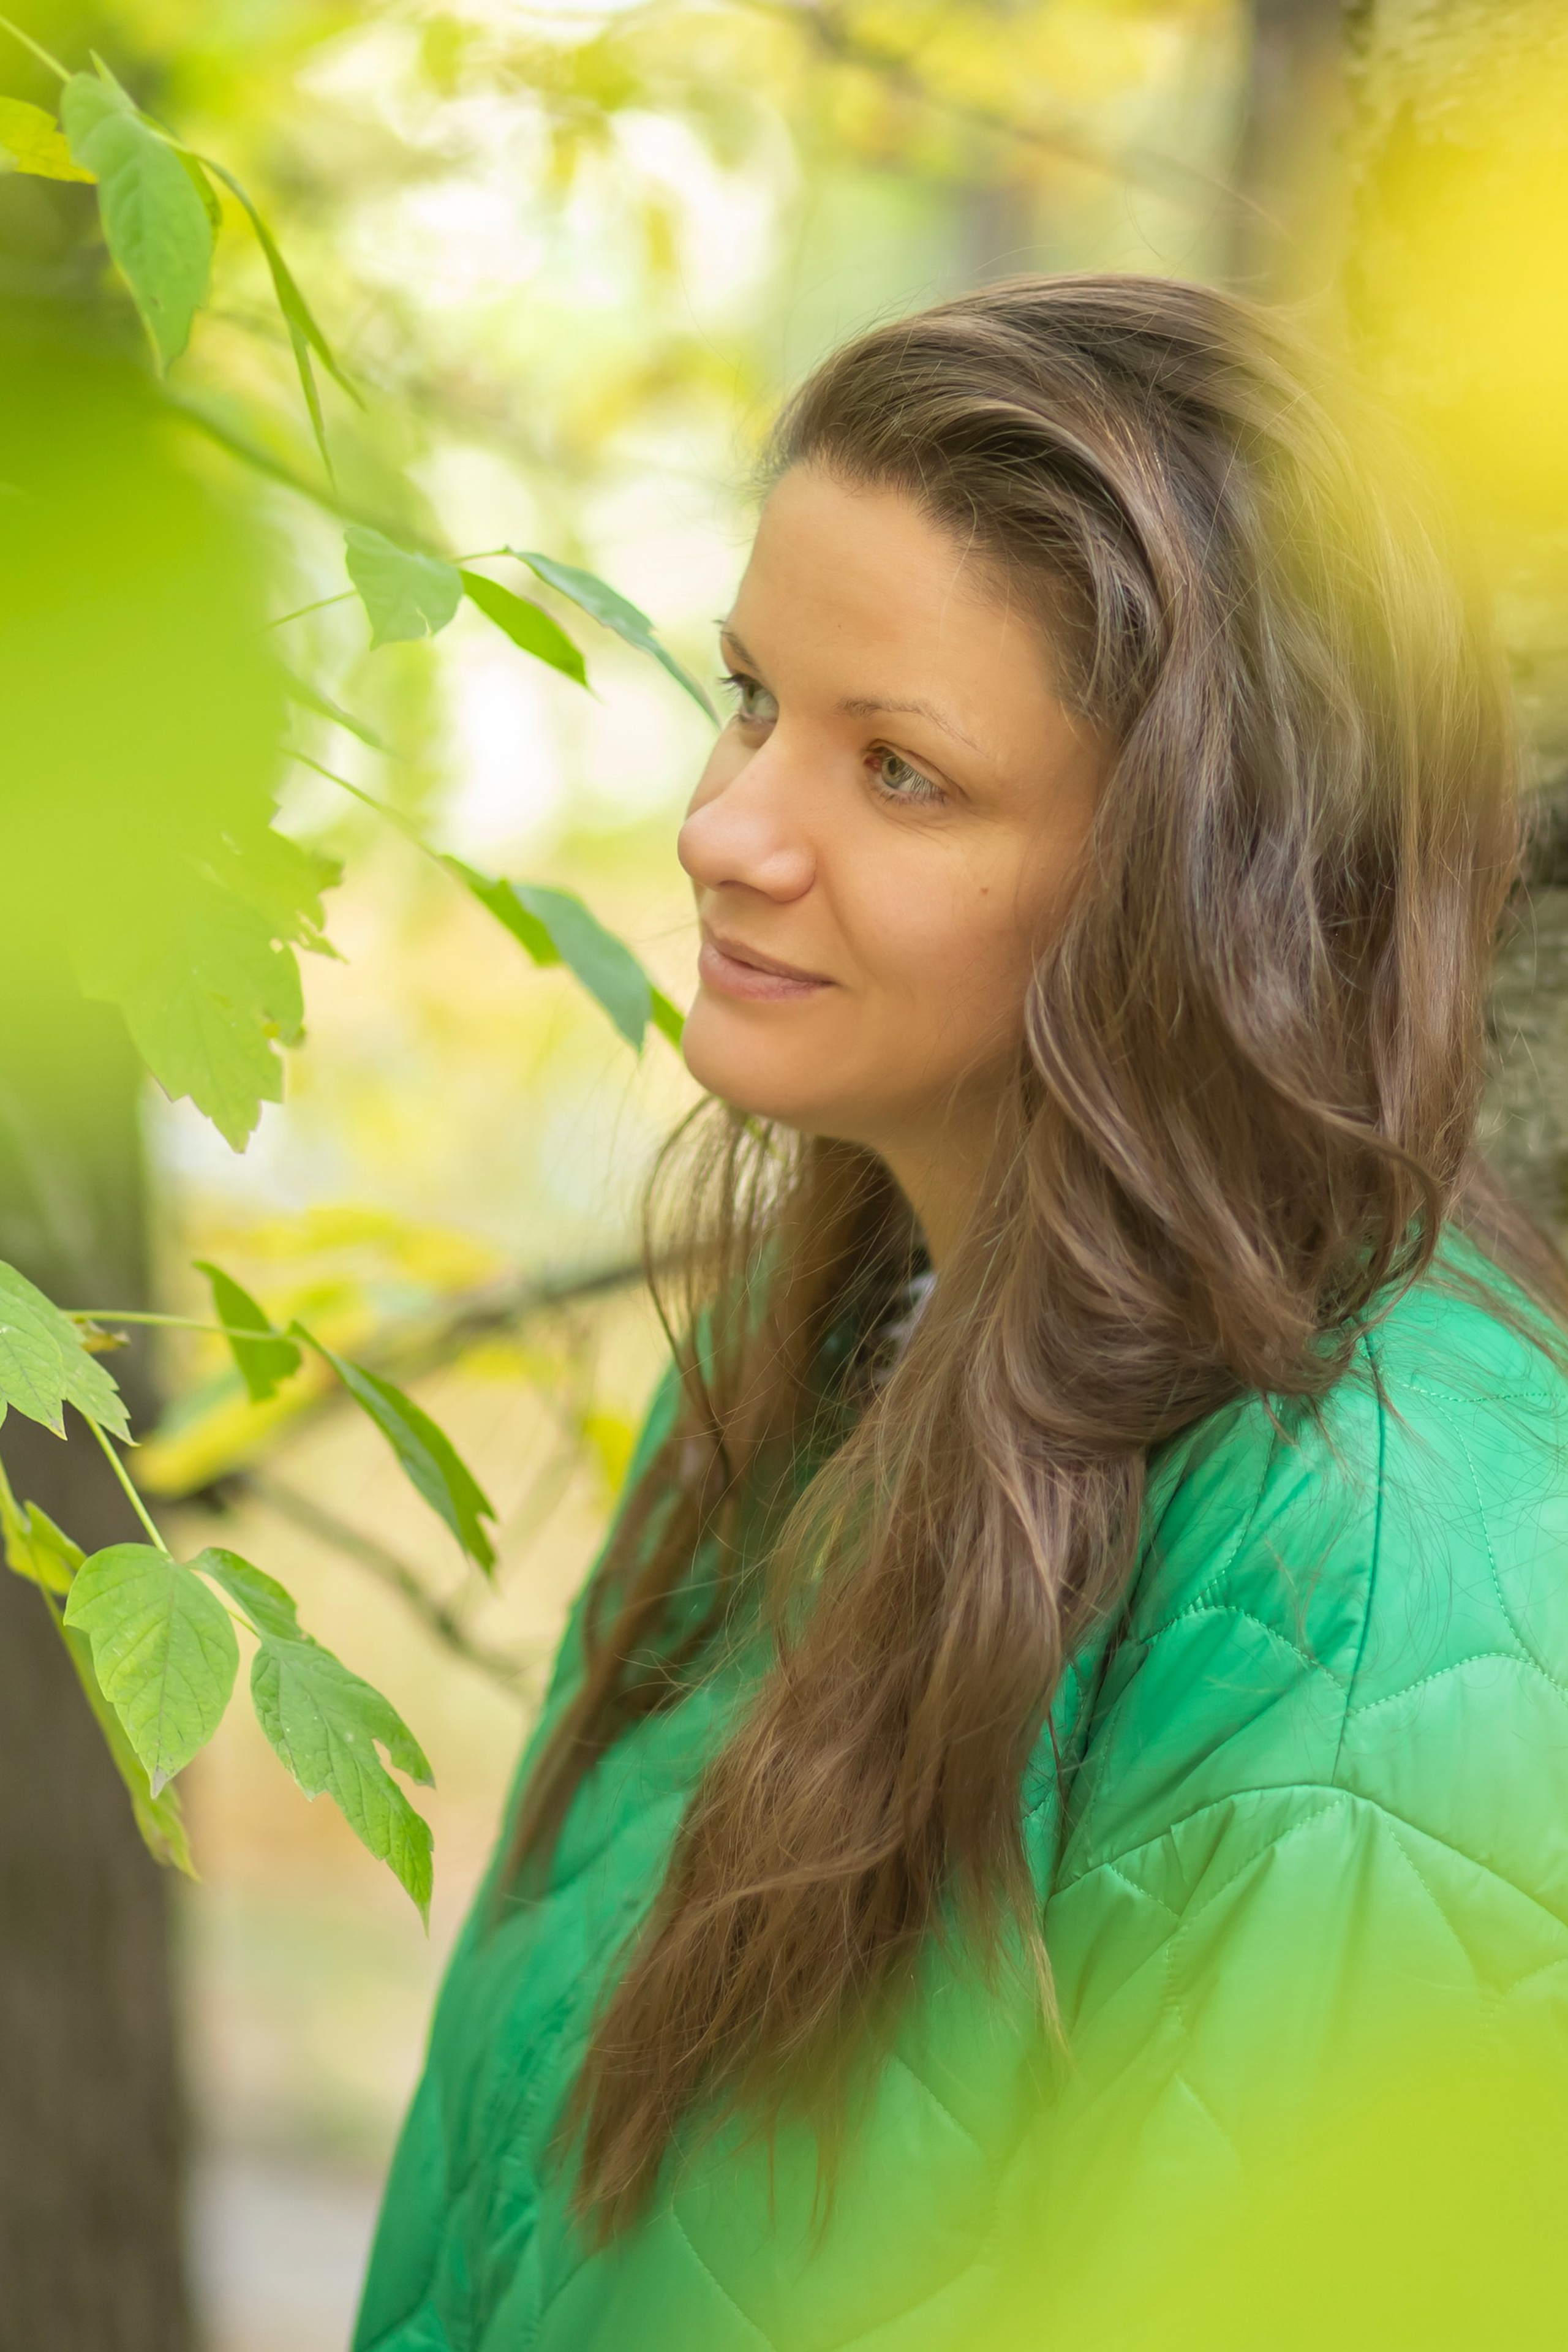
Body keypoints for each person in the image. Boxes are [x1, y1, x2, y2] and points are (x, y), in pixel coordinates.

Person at [352, 274, 1568, 2352]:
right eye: (751, 699)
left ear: (1206, 886)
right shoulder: (814, 1364)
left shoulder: (1379, 1587)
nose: (726, 831)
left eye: (899, 772)